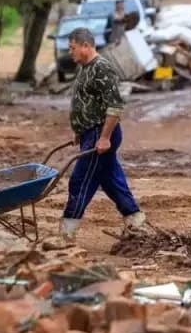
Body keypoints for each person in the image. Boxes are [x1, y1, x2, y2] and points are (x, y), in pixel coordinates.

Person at [60, 28, 146, 239]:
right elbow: (87, 103)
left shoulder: (102, 68)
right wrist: (80, 130)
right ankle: (134, 218)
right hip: (91, 133)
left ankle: (66, 233)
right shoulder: (85, 68)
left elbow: (115, 107)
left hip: (101, 133)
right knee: (109, 178)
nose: (71, 53)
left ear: (86, 46)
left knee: (80, 181)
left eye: (73, 48)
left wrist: (104, 137)